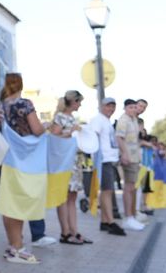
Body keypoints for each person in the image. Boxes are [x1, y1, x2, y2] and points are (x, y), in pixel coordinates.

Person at [0, 73, 46, 264]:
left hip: (4, 159)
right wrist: (47, 126)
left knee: (8, 203)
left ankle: (12, 245)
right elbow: (36, 129)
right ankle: (18, 248)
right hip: (24, 162)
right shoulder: (24, 104)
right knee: (19, 201)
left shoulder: (0, 106)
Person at [50, 90, 93, 245]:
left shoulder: (72, 118)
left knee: (72, 197)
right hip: (64, 163)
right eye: (79, 101)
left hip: (75, 162)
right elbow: (54, 138)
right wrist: (71, 132)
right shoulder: (59, 117)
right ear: (73, 102)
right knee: (63, 197)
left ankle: (74, 231)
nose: (80, 104)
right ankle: (65, 232)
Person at [88, 97, 127, 236]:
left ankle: (105, 221)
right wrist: (97, 157)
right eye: (108, 106)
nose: (110, 109)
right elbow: (93, 136)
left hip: (109, 159)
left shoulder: (106, 121)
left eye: (113, 107)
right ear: (101, 107)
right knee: (107, 191)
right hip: (103, 160)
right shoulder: (98, 120)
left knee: (108, 191)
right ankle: (110, 221)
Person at [116, 99, 146, 231]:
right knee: (128, 187)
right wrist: (124, 154)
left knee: (132, 187)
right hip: (128, 157)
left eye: (135, 107)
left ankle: (132, 215)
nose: (134, 109)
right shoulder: (124, 120)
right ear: (125, 108)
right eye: (131, 107)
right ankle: (128, 217)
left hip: (135, 158)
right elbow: (119, 138)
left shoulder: (133, 120)